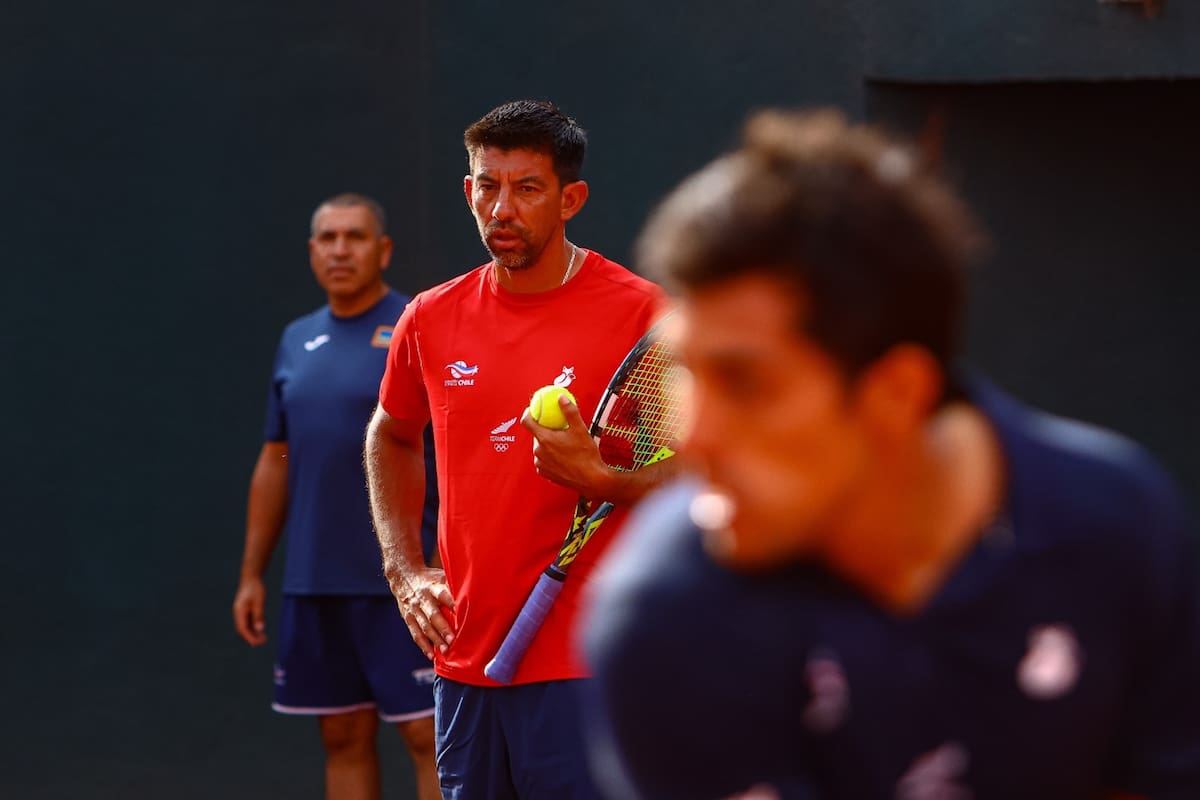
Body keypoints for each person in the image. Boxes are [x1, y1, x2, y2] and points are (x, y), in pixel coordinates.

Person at [581, 109, 1200, 800]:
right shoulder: (662, 620)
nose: (691, 437)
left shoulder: (1119, 525)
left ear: (896, 394)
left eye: (746, 383)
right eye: (686, 373)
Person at [363, 99, 672, 800]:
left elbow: (707, 470)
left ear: (571, 199)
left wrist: (601, 476)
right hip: (467, 661)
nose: (501, 208)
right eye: (486, 185)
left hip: (588, 664)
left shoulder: (645, 316)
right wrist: (405, 569)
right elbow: (390, 434)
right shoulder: (430, 319)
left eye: (526, 188)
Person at [233, 193, 441, 800]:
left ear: (384, 250)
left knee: (429, 738)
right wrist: (253, 573)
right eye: (328, 238)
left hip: (407, 580)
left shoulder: (416, 323)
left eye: (355, 237)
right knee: (342, 738)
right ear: (312, 251)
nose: (341, 249)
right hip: (315, 582)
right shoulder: (296, 340)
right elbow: (277, 458)